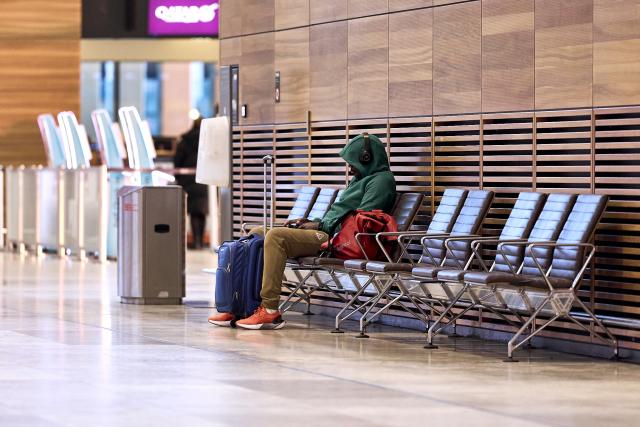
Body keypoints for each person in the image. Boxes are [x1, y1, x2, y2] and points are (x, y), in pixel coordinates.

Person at [208, 133, 397, 330]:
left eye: (352, 162)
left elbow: (361, 222)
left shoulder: (381, 181)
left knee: (276, 237)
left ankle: (270, 310)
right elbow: (339, 214)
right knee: (258, 232)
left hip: (337, 240)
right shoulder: (360, 179)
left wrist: (320, 227)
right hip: (326, 231)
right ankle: (241, 305)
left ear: (366, 158)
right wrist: (310, 223)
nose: (350, 167)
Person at [174, 117, 209, 249]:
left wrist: (180, 179)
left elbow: (177, 162)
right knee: (202, 211)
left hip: (188, 180)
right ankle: (200, 240)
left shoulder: (184, 141)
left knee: (194, 212)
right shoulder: (207, 141)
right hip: (204, 180)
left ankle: (197, 241)